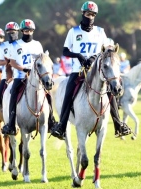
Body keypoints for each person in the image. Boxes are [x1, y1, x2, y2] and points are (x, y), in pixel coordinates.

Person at [50, 1, 132, 140]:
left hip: (96, 70)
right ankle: (61, 126)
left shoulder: (100, 31)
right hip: (78, 70)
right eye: (88, 14)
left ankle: (118, 125)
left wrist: (94, 57)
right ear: (83, 14)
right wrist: (79, 56)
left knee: (110, 92)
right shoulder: (73, 31)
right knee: (68, 94)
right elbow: (65, 51)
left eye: (93, 15)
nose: (90, 17)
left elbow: (107, 49)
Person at [1, 19, 57, 135]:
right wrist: (24, 69)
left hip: (37, 76)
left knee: (48, 94)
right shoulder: (16, 45)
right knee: (13, 93)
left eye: (30, 30)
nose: (28, 32)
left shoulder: (37, 44)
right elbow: (12, 62)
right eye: (26, 30)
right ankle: (11, 124)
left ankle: (51, 121)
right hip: (20, 76)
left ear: (33, 31)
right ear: (22, 31)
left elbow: (43, 60)